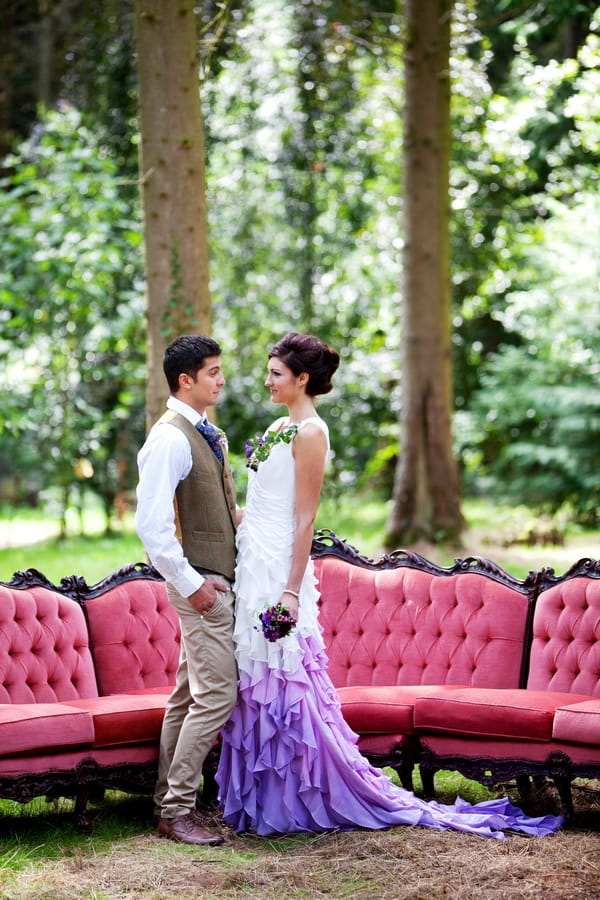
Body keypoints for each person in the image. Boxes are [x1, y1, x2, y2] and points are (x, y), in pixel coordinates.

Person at [216, 331, 563, 840]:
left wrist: (291, 591)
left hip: (278, 569)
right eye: (269, 372)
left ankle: (300, 795)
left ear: (302, 379)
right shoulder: (277, 426)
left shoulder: (311, 432)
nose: (267, 381)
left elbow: (305, 520)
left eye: (275, 373)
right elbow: (261, 506)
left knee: (284, 680)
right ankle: (265, 794)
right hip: (253, 560)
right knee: (255, 675)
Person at [135, 334, 239, 846]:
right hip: (202, 588)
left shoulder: (205, 432)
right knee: (218, 693)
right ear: (186, 380)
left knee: (186, 696)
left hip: (215, 581)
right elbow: (152, 528)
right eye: (214, 372)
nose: (221, 380)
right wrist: (195, 587)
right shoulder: (170, 439)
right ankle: (177, 810)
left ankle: (164, 805)